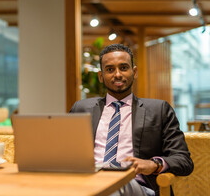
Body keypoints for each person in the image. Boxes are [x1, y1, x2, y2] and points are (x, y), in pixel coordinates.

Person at [70, 44, 193, 196]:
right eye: (110, 69)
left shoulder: (159, 109)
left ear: (134, 72)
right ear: (101, 76)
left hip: (135, 185)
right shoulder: (81, 108)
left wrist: (154, 164)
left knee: (113, 187)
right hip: (87, 182)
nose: (117, 74)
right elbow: (66, 153)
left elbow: (183, 160)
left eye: (123, 68)